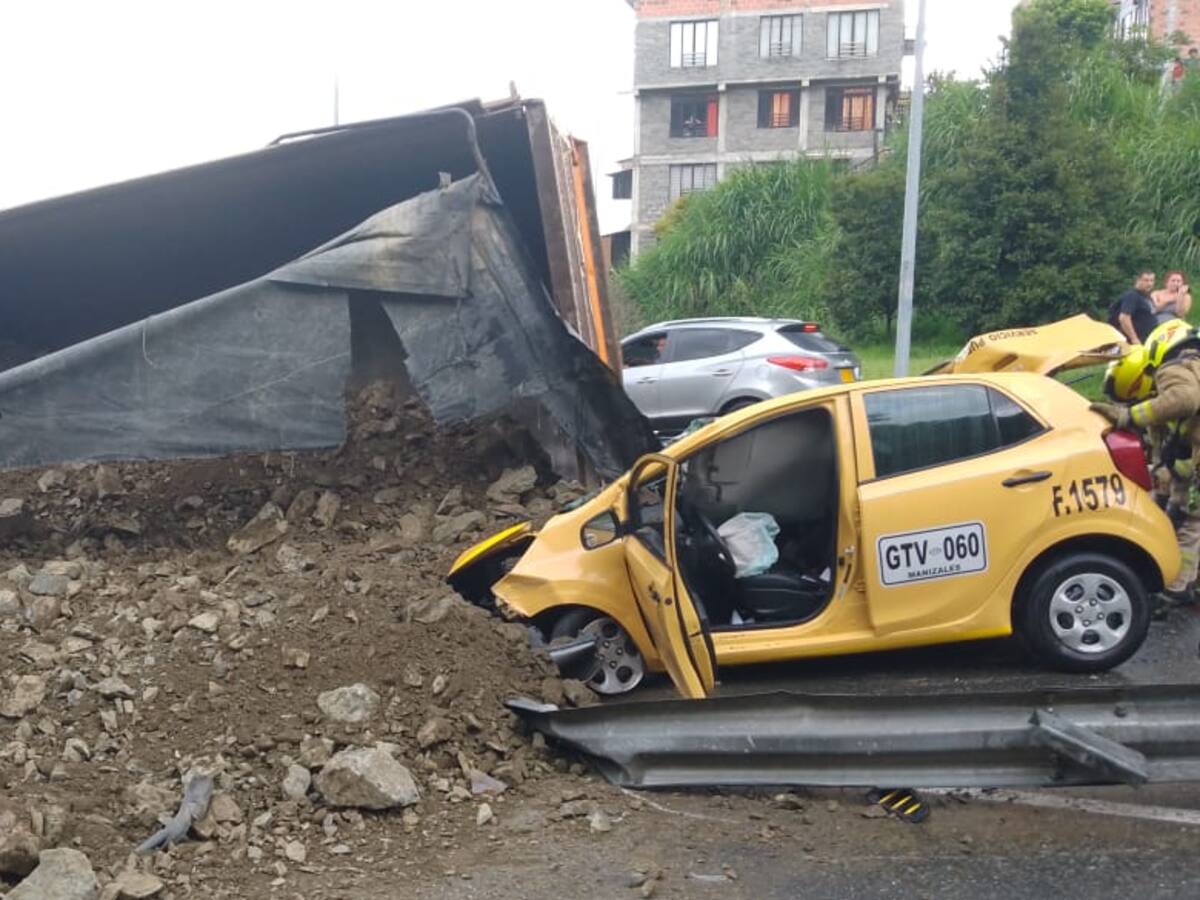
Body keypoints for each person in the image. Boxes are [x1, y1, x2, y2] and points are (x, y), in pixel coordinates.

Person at [1093, 319, 1200, 602]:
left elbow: (1186, 399)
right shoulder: (1190, 368)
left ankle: (1176, 589)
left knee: (1191, 521)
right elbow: (1171, 450)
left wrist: (1129, 417)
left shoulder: (1173, 370)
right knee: (1182, 514)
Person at [1110, 270, 1158, 344]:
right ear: (1138, 280)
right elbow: (1124, 318)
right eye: (1146, 280)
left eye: (1152, 280)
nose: (1149, 283)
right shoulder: (1132, 296)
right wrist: (1134, 338)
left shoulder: (1146, 297)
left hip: (1147, 340)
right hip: (1133, 343)